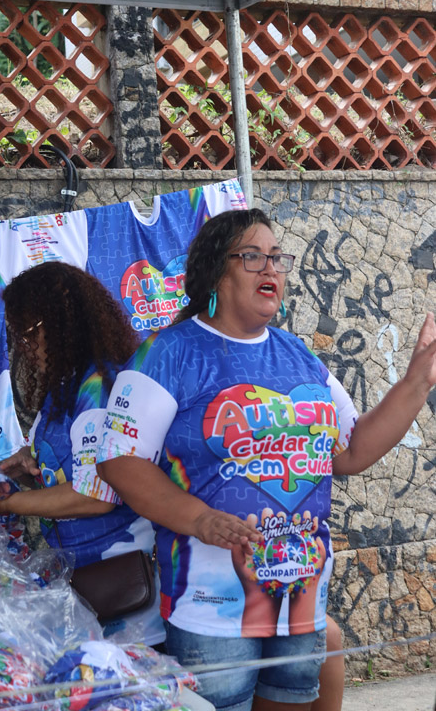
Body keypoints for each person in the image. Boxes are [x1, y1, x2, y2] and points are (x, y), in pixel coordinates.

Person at [95, 208, 436, 711]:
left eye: (277, 257)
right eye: (252, 256)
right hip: (211, 609)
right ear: (215, 269)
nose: (270, 269)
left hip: (302, 596)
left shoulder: (298, 355)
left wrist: (416, 383)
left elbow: (354, 449)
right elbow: (118, 461)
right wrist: (199, 518)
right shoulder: (168, 354)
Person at [0, 261, 165, 646]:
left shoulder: (98, 390)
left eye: (29, 334)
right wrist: (30, 468)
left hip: (125, 589)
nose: (25, 348)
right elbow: (75, 470)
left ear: (63, 324)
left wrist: (5, 507)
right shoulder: (65, 388)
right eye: (18, 336)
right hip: (89, 583)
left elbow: (94, 497)